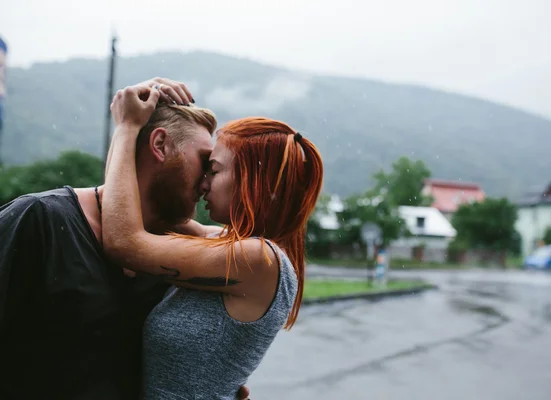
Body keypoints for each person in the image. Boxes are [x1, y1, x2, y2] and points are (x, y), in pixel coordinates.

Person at [0, 78, 249, 400]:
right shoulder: (39, 218)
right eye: (204, 162)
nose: (206, 182)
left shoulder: (177, 253)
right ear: (160, 145)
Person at [101, 83, 324, 399]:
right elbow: (158, 219)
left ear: (250, 180)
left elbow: (125, 243)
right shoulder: (232, 245)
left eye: (214, 170)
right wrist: (152, 104)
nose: (202, 183)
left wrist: (126, 126)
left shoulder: (258, 259)